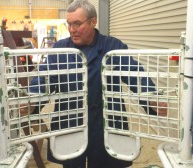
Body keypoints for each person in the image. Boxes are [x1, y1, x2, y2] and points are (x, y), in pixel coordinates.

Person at [26, 0, 167, 167]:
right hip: (71, 121)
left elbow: (135, 74)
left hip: (106, 121)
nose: (72, 29)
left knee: (106, 162)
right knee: (73, 163)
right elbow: (44, 78)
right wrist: (32, 100)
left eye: (77, 24)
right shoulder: (60, 49)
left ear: (93, 21)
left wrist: (151, 97)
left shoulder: (113, 47)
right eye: (69, 24)